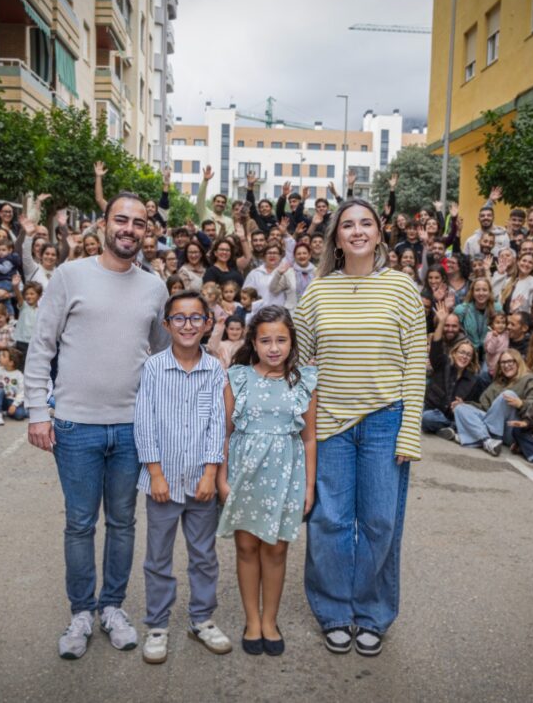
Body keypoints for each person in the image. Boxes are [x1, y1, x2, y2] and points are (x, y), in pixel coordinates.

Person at [25, 192, 169, 661]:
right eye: (121, 220)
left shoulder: (155, 287)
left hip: (132, 429)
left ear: (147, 231)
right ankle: (82, 612)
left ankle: (112, 607)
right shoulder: (70, 276)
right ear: (104, 224)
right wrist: (37, 412)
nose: (129, 229)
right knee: (80, 523)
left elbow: (161, 353)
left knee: (123, 522)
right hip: (75, 427)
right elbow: (41, 347)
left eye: (139, 223)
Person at [294, 198, 426, 656]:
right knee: (328, 521)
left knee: (379, 522)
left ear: (379, 233)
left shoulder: (402, 287)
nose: (357, 231)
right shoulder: (317, 292)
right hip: (329, 423)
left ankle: (372, 613)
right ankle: (333, 610)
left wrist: (410, 430)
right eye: (347, 225)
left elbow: (416, 364)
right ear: (336, 237)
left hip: (385, 421)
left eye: (365, 223)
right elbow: (298, 361)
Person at [133, 291, 231, 664]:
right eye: (179, 318)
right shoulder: (154, 368)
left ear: (207, 324)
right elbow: (144, 422)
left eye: (195, 318)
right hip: (163, 482)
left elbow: (216, 424)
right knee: (158, 558)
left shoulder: (214, 369)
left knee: (204, 555)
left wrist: (211, 473)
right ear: (166, 324)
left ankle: (202, 619)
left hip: (201, 482)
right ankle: (157, 625)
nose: (187, 325)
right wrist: (155, 473)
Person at [216, 306, 317, 657]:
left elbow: (309, 438)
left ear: (292, 342)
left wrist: (308, 486)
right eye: (265, 341)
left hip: (286, 476)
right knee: (246, 547)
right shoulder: (238, 377)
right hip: (244, 474)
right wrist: (222, 477)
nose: (274, 348)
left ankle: (270, 620)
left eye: (281, 340)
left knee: (275, 549)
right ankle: (252, 621)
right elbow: (225, 432)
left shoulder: (304, 380)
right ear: (254, 343)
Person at [452, 350, 533, 456]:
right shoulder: (498, 382)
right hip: (492, 424)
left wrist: (521, 404)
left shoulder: (530, 379)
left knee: (508, 394)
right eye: (503, 362)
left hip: (512, 428)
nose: (506, 365)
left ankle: (473, 436)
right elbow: (484, 407)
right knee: (460, 408)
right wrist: (465, 404)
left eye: (510, 361)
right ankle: (487, 440)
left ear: (518, 361)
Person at [423, 337, 483, 439]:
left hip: (454, 416)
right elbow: (435, 349)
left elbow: (476, 405)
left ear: (471, 359)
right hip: (433, 412)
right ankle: (452, 428)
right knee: (426, 417)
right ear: (454, 353)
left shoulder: (474, 380)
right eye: (462, 352)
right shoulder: (443, 365)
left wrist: (463, 405)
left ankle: (450, 428)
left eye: (468, 355)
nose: (464, 356)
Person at [0, 347, 26, 425]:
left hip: (12, 401)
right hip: (0, 400)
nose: (0, 356)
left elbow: (22, 392)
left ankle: (6, 412)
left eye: (3, 356)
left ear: (11, 362)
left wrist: (14, 405)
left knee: (20, 415)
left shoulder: (19, 375)